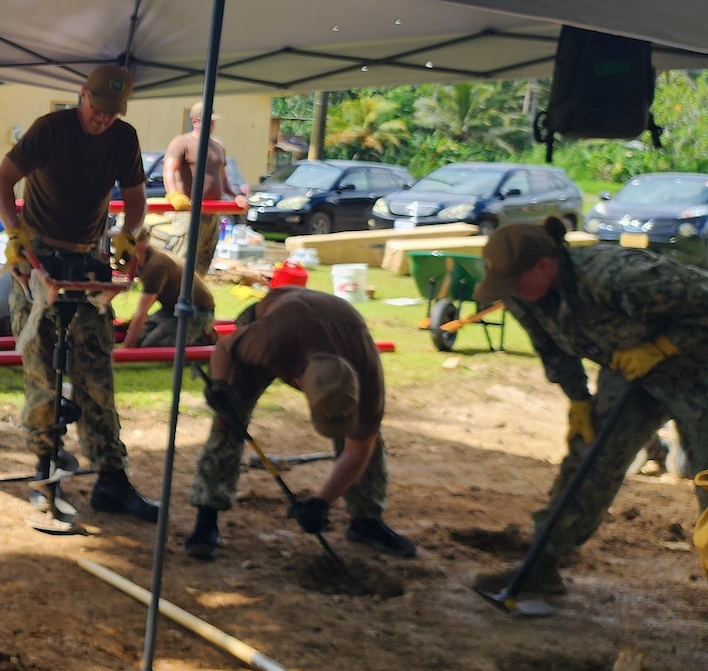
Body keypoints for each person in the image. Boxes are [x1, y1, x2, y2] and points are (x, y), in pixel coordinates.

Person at [470, 218, 708, 596]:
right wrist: (578, 398)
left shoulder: (619, 275)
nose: (509, 292)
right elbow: (549, 346)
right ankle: (541, 567)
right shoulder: (522, 293)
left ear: (544, 266)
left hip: (699, 369)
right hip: (632, 371)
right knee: (589, 460)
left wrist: (661, 348)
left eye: (515, 282)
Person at [0, 63, 161, 523]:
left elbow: (136, 196)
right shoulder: (51, 129)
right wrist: (15, 234)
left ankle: (111, 479)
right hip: (40, 256)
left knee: (96, 371)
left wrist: (129, 233)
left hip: (90, 255)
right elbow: (0, 182)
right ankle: (45, 471)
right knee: (43, 370)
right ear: (83, 95)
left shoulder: (124, 138)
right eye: (98, 108)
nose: (103, 119)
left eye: (112, 112)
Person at [185, 286, 416, 560]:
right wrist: (221, 384)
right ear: (297, 382)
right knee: (229, 419)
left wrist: (322, 502)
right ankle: (206, 519)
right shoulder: (268, 343)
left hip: (328, 323)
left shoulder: (367, 376)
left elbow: (359, 449)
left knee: (368, 434)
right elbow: (224, 347)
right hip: (273, 317)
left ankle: (366, 521)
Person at [162, 100, 243, 274]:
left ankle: (194, 297)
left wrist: (236, 196)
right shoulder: (181, 142)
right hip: (188, 211)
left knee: (204, 258)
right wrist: (174, 194)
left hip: (212, 212)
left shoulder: (218, 146)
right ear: (195, 121)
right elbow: (169, 170)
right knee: (182, 259)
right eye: (208, 120)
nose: (212, 124)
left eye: (213, 121)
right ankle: (174, 297)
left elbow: (224, 179)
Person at [120, 242, 218, 349]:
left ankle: (201, 336)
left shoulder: (155, 266)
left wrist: (127, 345)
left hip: (196, 311)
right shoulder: (149, 256)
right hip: (171, 309)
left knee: (151, 346)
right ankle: (195, 332)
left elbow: (143, 310)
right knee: (140, 339)